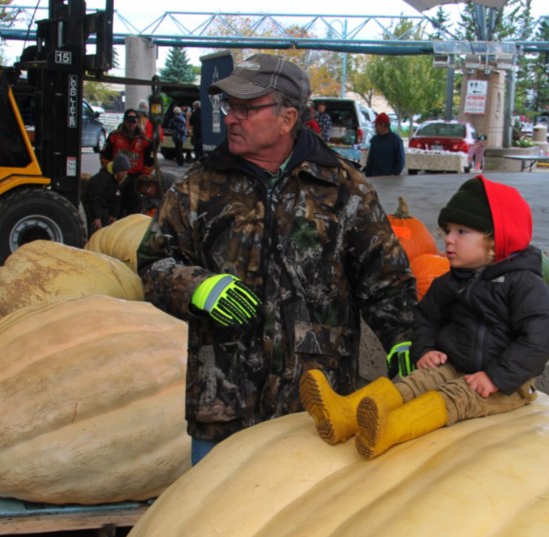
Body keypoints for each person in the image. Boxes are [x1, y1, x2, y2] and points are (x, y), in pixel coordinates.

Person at [136, 53, 417, 465]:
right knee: (213, 523)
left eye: (246, 109)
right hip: (223, 408)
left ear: (287, 118)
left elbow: (386, 281)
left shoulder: (344, 190)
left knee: (308, 527)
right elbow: (153, 263)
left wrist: (403, 337)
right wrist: (196, 287)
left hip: (314, 414)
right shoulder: (197, 187)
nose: (231, 118)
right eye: (229, 107)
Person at [300, 176, 549, 459]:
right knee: (416, 380)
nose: (448, 239)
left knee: (456, 398)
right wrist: (426, 349)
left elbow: (538, 340)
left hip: (503, 384)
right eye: (447, 231)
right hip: (454, 364)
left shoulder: (525, 285)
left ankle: (390, 430)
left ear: (496, 238)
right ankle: (345, 415)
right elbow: (426, 319)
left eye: (462, 232)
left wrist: (496, 376)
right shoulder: (450, 283)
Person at [102, 108, 155, 216]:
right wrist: (111, 173)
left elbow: (150, 162)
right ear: (124, 121)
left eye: (134, 121)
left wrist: (143, 177)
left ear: (137, 122)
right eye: (129, 121)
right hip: (117, 179)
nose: (131, 124)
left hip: (136, 179)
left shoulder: (144, 141)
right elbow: (104, 156)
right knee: (116, 209)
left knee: (134, 211)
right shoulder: (114, 137)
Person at [82, 153, 129, 231]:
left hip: (105, 210)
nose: (124, 174)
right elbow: (94, 198)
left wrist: (114, 215)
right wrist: (96, 217)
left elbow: (117, 198)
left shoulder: (118, 181)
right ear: (116, 170)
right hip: (94, 210)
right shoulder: (102, 179)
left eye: (126, 171)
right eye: (122, 171)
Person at [364, 112, 405, 177]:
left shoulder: (396, 140)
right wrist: (368, 175)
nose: (375, 127)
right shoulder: (374, 140)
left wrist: (394, 174)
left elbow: (400, 160)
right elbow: (370, 161)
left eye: (376, 125)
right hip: (375, 178)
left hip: (390, 179)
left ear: (382, 125)